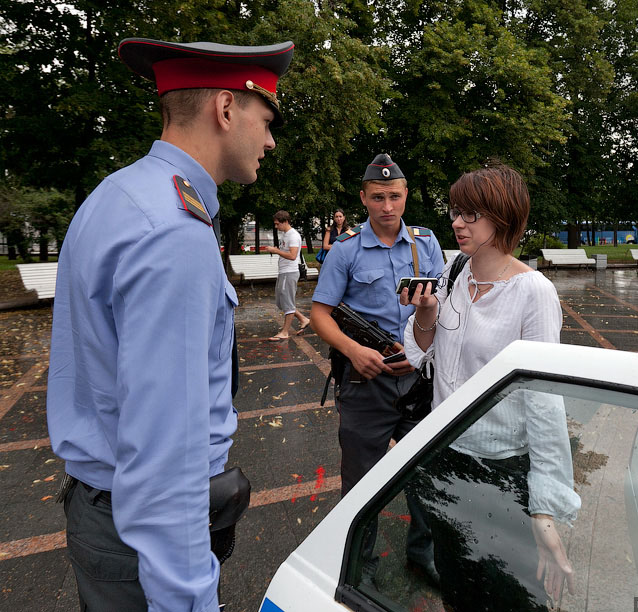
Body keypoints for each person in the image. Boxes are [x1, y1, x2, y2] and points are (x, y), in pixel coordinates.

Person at [46, 37, 294, 611]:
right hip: (141, 541)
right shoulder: (174, 231)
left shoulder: (119, 195)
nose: (271, 139)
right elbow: (165, 460)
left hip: (105, 517)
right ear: (226, 110)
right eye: (266, 118)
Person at [402, 163, 580, 610]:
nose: (458, 223)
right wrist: (425, 314)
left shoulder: (532, 292)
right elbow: (423, 354)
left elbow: (544, 400)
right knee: (458, 586)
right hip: (446, 459)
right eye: (456, 212)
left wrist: (543, 509)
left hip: (501, 473)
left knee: (508, 595)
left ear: (502, 218)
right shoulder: (455, 272)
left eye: (471, 214)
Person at [309, 153, 444, 585]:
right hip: (365, 380)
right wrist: (352, 351)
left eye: (395, 196)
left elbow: (442, 306)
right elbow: (320, 314)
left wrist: (421, 350)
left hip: (417, 378)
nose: (387, 206)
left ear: (406, 196)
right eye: (378, 197)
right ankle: (358, 568)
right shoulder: (347, 249)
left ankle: (423, 555)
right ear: (364, 198)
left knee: (427, 472)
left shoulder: (426, 244)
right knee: (361, 482)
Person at [264, 209, 310, 341]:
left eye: (278, 224)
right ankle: (303, 318)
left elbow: (292, 256)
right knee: (281, 302)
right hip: (284, 272)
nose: (276, 226)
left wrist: (276, 250)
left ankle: (285, 332)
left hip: (289, 272)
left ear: (285, 222)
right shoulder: (286, 234)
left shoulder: (293, 235)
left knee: (287, 303)